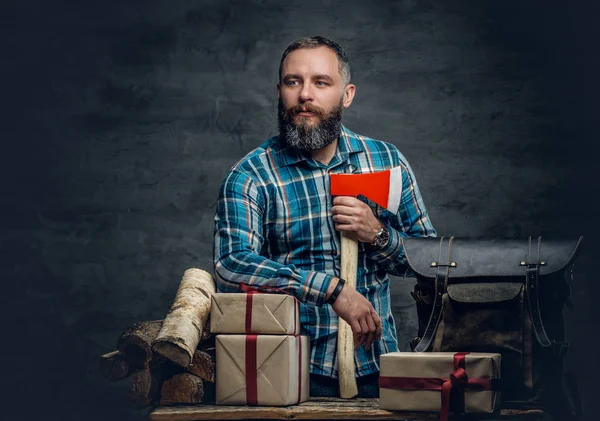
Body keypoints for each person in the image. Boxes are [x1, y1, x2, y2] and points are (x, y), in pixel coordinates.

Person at [213, 36, 436, 398]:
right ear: (279, 91)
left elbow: (430, 262)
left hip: (381, 368)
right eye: (293, 82)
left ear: (346, 94)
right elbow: (231, 263)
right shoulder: (250, 175)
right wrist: (331, 291)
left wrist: (379, 234)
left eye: (320, 82)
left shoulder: (386, 162)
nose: (304, 95)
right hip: (288, 370)